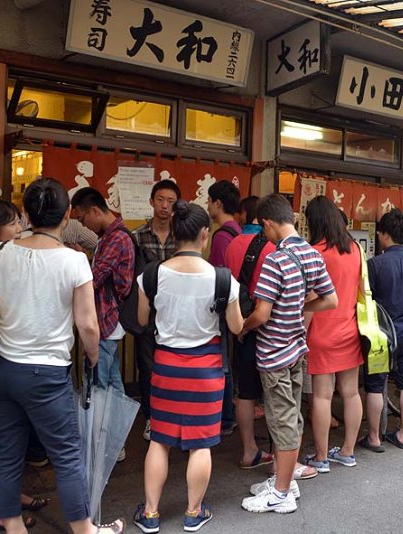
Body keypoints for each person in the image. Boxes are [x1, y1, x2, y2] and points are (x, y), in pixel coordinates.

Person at [0, 179, 123, 534]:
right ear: (68, 215)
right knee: (67, 456)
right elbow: (88, 324)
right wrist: (91, 357)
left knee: (7, 453)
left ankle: (12, 526)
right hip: (46, 373)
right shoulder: (73, 261)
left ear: (26, 213)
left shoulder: (1, 252)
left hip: (0, 369)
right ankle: (85, 530)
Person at [133, 200, 243, 533]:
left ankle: (150, 514)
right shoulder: (223, 280)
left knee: (159, 440)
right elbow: (236, 328)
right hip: (206, 370)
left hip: (165, 367)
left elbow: (141, 320)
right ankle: (193, 512)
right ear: (204, 235)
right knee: (200, 444)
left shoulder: (151, 275)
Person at [240, 194, 337, 514]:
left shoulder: (275, 259)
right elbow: (330, 300)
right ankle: (286, 480)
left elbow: (262, 314)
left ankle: (281, 493)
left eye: (263, 229)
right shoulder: (311, 253)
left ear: (267, 223)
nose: (264, 235)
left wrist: (243, 326)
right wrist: (299, 308)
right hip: (298, 348)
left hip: (275, 351)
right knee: (291, 417)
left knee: (281, 420)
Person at [0, 200, 48, 531]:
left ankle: (11, 496)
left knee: (9, 440)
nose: (20, 229)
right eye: (13, 224)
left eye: (20, 222)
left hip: (2, 366)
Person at [302, 196, 363, 473]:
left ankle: (322, 457)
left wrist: (299, 332)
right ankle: (348, 452)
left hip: (322, 333)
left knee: (322, 397)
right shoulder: (355, 249)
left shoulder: (316, 252)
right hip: (350, 329)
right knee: (351, 394)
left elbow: (313, 299)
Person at [358, 209, 403, 452]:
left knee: (375, 385)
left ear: (384, 235)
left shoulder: (374, 265)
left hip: (379, 335)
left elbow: (366, 301)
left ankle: (374, 438)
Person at [70, 188, 135, 421]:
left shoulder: (116, 237)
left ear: (95, 210)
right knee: (111, 381)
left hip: (107, 318)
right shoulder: (110, 235)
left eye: (81, 218)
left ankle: (103, 438)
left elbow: (94, 279)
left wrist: (76, 262)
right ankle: (117, 438)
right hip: (109, 318)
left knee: (98, 383)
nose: (83, 225)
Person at [225, 196, 276, 470]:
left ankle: (249, 451)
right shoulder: (272, 247)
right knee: (275, 393)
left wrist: (241, 326)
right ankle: (280, 455)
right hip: (268, 326)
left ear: (245, 215)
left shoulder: (231, 245)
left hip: (240, 325)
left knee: (245, 392)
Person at [133, 179, 180, 441]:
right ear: (151, 201)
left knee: (174, 364)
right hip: (147, 310)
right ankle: (152, 417)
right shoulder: (137, 236)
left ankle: (172, 416)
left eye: (170, 201)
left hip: (175, 311)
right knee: (147, 365)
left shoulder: (181, 237)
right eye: (160, 199)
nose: (164, 205)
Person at [206, 180, 242, 437]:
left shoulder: (220, 236)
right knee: (227, 361)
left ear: (218, 203)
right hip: (238, 304)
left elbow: (219, 277)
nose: (207, 205)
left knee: (222, 363)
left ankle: (225, 417)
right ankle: (228, 415)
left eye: (209, 201)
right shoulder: (239, 232)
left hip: (222, 307)